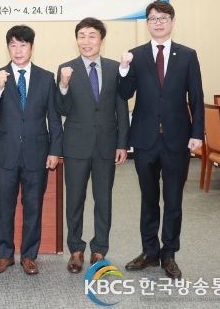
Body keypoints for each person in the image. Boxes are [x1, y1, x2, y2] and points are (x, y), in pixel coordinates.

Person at [118, 0, 204, 279]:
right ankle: (149, 251)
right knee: (148, 199)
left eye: (163, 18)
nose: (158, 22)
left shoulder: (187, 55)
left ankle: (169, 254)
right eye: (153, 18)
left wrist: (197, 133)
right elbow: (125, 93)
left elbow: (197, 97)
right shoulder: (135, 55)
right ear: (147, 23)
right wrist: (123, 69)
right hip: (145, 139)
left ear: (172, 22)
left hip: (177, 139)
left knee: (173, 200)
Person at [0, 25, 62, 276]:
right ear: (8, 47)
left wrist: (54, 150)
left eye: (23, 45)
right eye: (13, 45)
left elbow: (53, 118)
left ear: (31, 47)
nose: (18, 50)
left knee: (33, 206)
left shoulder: (46, 78)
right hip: (5, 153)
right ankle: (5, 254)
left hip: (37, 153)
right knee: (4, 206)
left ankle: (29, 255)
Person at [55, 18, 129, 274]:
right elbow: (62, 109)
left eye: (92, 36)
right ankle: (75, 249)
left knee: (103, 199)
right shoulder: (66, 69)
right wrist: (63, 85)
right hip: (76, 145)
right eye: (81, 36)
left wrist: (122, 143)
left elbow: (121, 108)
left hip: (106, 144)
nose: (86, 41)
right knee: (74, 200)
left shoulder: (114, 68)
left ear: (101, 40)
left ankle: (99, 249)